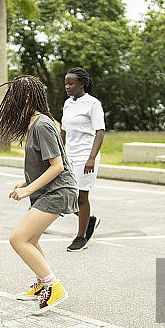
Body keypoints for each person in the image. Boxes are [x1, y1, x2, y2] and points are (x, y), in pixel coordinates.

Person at [0, 75, 78, 314]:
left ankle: (53, 286)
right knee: (32, 238)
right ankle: (42, 284)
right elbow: (42, 165)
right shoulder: (34, 123)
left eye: (15, 98)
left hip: (58, 191)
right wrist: (25, 182)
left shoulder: (42, 124)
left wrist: (29, 189)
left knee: (18, 239)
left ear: (28, 98)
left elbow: (58, 166)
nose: (11, 103)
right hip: (48, 190)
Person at [60, 67, 105, 251]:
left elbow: (99, 131)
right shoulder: (68, 103)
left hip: (86, 156)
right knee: (65, 194)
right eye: (66, 84)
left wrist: (91, 158)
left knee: (81, 196)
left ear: (82, 84)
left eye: (71, 83)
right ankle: (88, 220)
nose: (67, 87)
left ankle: (81, 237)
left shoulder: (93, 104)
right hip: (69, 155)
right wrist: (58, 154)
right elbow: (63, 131)